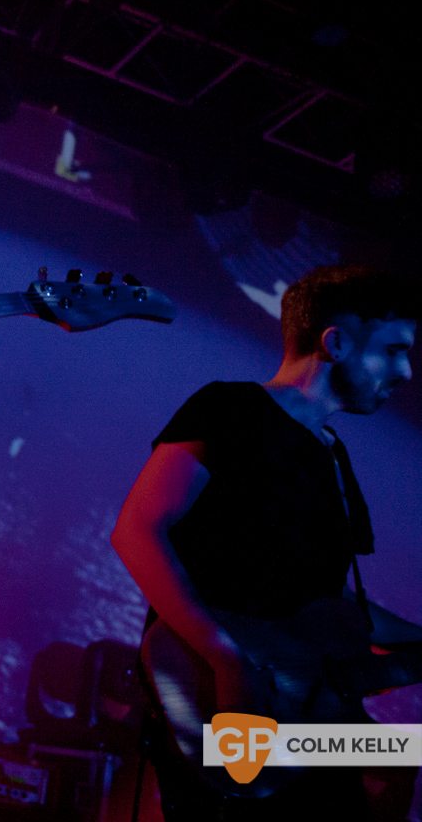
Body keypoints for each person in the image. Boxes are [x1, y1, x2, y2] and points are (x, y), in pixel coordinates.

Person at [111, 264, 422, 820]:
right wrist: (228, 661)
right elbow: (137, 530)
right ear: (337, 341)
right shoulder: (229, 409)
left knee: (404, 754)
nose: (405, 371)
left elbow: (332, 608)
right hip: (222, 701)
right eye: (394, 349)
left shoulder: (333, 454)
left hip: (303, 719)